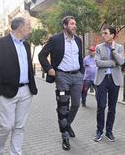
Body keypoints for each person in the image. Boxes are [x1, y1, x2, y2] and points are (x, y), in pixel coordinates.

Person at [0, 16, 38, 155]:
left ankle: (16, 153)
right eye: (29, 26)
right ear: (20, 27)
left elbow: (28, 68)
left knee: (19, 126)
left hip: (26, 91)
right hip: (6, 92)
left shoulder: (26, 45)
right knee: (6, 126)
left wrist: (32, 88)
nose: (30, 30)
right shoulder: (0, 44)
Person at [38, 16, 84, 151]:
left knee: (75, 104)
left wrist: (82, 71)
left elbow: (79, 57)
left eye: (75, 23)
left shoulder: (78, 40)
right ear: (65, 26)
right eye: (72, 24)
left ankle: (66, 124)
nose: (74, 26)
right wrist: (49, 69)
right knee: (63, 106)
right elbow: (42, 55)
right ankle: (64, 136)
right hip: (62, 77)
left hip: (77, 77)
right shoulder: (56, 39)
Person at [93, 27, 125, 142]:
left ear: (112, 35)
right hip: (101, 80)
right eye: (102, 33)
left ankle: (109, 131)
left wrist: (113, 50)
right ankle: (99, 131)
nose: (103, 35)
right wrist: (112, 63)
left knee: (112, 108)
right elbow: (97, 63)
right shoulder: (98, 47)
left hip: (114, 80)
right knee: (101, 106)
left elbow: (121, 62)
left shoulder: (119, 47)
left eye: (106, 33)